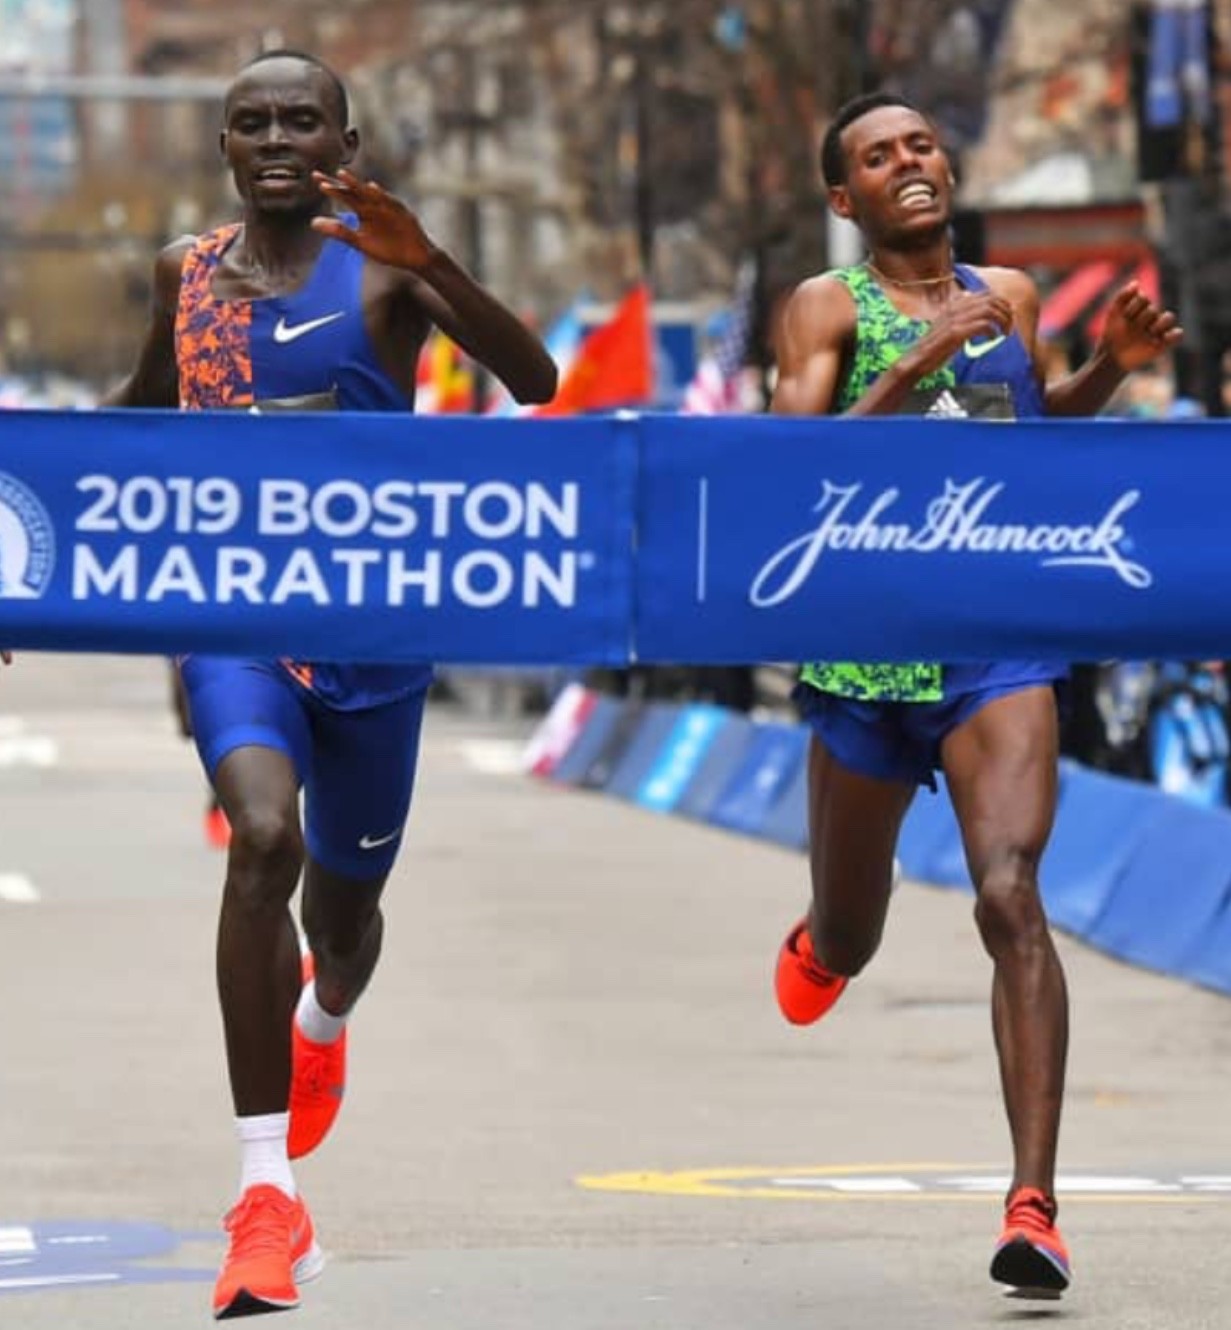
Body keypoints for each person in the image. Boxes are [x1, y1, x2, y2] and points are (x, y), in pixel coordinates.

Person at [103, 49, 556, 1319]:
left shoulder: (387, 270)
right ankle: (265, 1195)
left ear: (343, 143)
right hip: (234, 618)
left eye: (301, 119)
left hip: (372, 635)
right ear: (225, 148)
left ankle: (325, 1014)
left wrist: (434, 260)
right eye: (251, 121)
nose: (276, 139)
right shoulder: (186, 277)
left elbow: (537, 383)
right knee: (262, 838)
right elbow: (135, 417)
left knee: (342, 924)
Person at [770, 92, 1181, 1297]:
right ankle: (823, 938)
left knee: (1010, 893)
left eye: (920, 145)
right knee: (850, 934)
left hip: (993, 636)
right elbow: (788, 466)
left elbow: (1031, 435)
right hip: (864, 646)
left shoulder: (1009, 295)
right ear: (844, 197)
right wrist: (921, 355)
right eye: (876, 156)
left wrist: (1111, 368)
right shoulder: (823, 306)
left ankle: (1033, 1206)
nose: (908, 163)